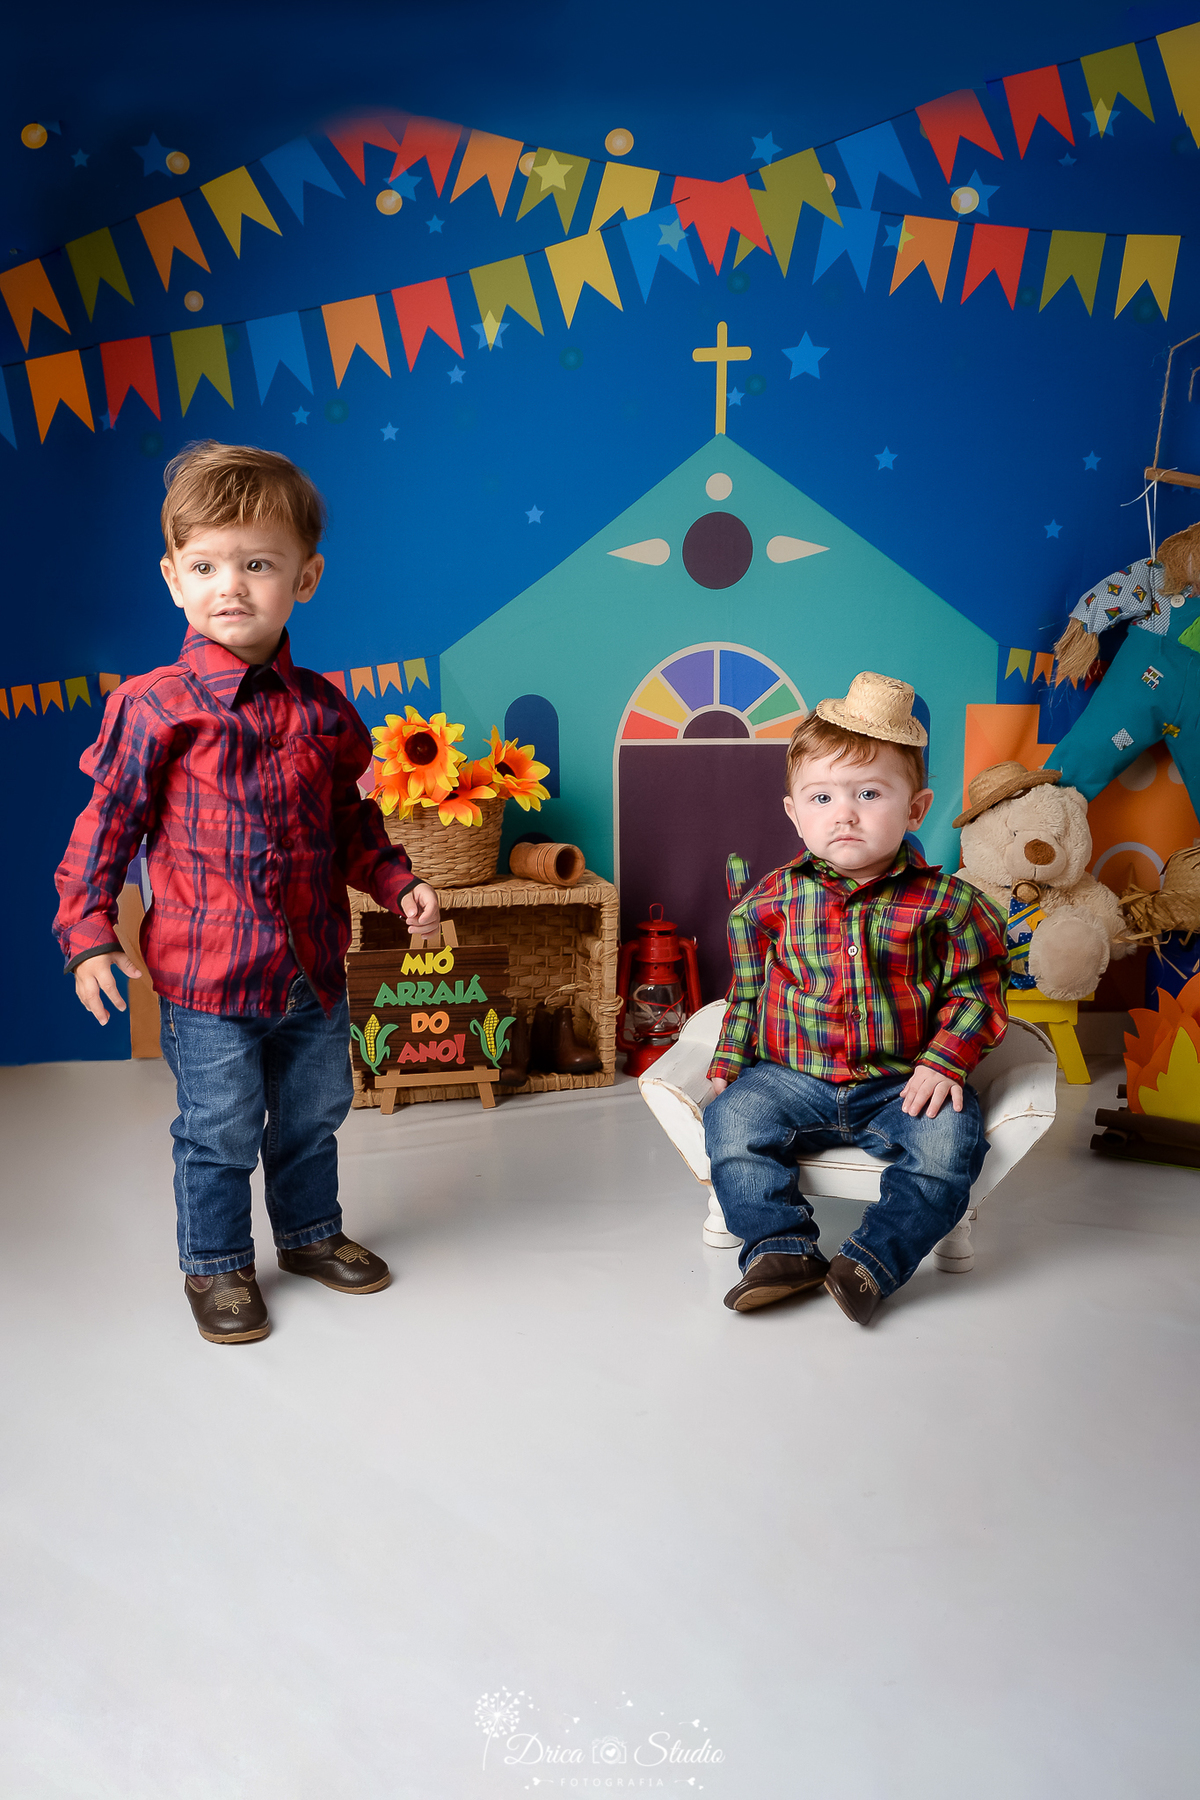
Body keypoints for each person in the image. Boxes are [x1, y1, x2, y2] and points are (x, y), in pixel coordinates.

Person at [53, 442, 439, 1345]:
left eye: (257, 564)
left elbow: (351, 826)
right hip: (210, 979)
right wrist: (89, 934)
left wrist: (397, 881)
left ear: (304, 578)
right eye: (206, 565)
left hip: (311, 968)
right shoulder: (156, 706)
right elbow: (104, 826)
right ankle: (218, 1264)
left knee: (313, 1115)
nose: (231, 584)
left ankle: (307, 1235)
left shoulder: (325, 710)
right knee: (219, 1130)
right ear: (173, 578)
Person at [703, 671, 1009, 1327]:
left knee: (952, 1143)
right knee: (732, 1124)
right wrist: (728, 1068)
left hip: (900, 1082)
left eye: (869, 793)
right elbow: (749, 991)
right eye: (821, 796)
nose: (844, 812)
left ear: (916, 808)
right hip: (791, 1077)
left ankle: (872, 1260)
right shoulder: (771, 902)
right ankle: (779, 1248)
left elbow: (978, 988)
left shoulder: (949, 905)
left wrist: (944, 1060)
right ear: (793, 812)